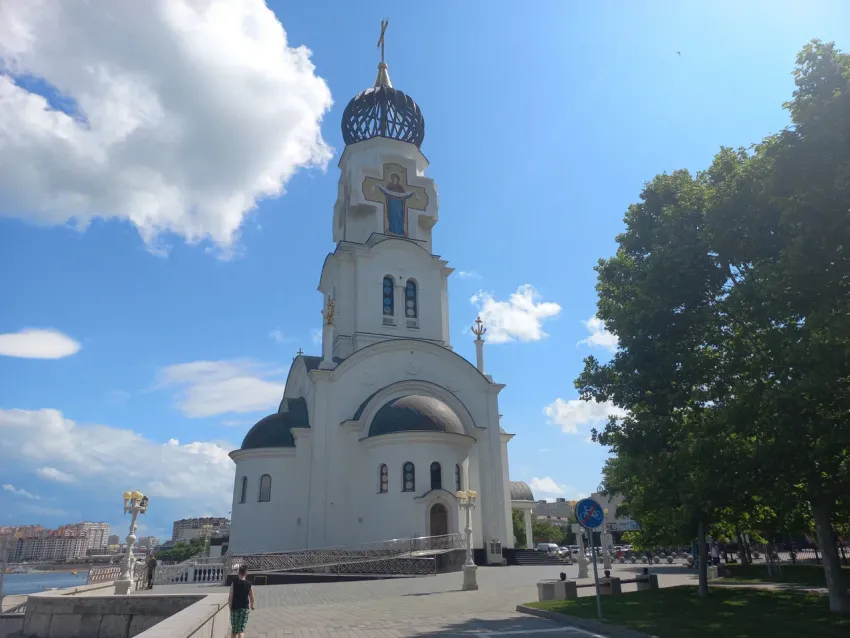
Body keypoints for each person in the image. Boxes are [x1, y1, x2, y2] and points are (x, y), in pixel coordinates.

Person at [229, 566, 255, 638]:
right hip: (244, 608)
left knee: (234, 631)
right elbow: (252, 596)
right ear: (246, 574)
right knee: (241, 630)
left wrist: (230, 608)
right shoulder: (249, 584)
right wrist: (252, 605)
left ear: (238, 573)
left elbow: (230, 597)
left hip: (234, 607)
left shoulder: (234, 583)